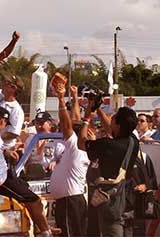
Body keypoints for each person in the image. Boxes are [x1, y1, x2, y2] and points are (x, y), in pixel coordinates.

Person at [0, 107, 54, 236]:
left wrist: (6, 151)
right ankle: (46, 232)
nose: (4, 127)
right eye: (5, 123)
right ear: (2, 120)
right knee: (35, 200)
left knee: (25, 189)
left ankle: (40, 226)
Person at [83, 106, 140, 237]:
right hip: (125, 196)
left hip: (110, 201)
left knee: (112, 229)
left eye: (113, 118)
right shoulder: (133, 142)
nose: (110, 119)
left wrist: (86, 120)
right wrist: (97, 108)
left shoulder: (107, 145)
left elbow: (81, 142)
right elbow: (112, 128)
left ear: (118, 124)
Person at [50, 79, 90, 237]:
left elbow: (68, 125)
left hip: (70, 201)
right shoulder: (80, 146)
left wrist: (61, 99)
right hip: (72, 200)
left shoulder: (76, 147)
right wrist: (74, 98)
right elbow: (74, 122)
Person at [0, 37, 24, 148]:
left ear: (13, 88)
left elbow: (14, 133)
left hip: (5, 148)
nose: (3, 83)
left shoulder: (17, 110)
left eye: (7, 83)